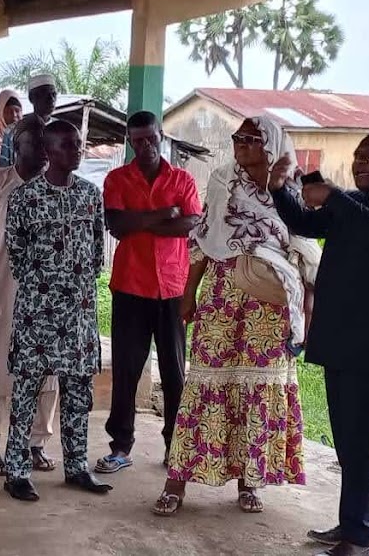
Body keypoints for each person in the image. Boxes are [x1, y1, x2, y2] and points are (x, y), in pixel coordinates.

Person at [269, 130, 369, 556]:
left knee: (361, 439)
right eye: (357, 156)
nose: (360, 162)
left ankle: (358, 539)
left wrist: (334, 196)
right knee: (347, 437)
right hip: (341, 337)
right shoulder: (351, 204)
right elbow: (305, 221)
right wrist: (281, 189)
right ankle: (358, 524)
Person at [151, 117, 316, 517]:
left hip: (271, 306)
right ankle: (177, 483)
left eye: (251, 138)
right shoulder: (222, 182)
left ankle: (249, 482)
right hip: (222, 297)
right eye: (237, 138)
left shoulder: (290, 191)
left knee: (257, 393)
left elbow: (307, 254)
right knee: (204, 386)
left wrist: (305, 318)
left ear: (271, 145)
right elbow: (205, 240)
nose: (241, 144)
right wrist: (188, 294)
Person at [3, 120, 111, 502]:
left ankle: (77, 466)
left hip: (79, 311)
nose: (76, 151)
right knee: (27, 390)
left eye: (78, 144)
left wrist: (76, 284)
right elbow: (15, 255)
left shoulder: (90, 195)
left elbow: (99, 249)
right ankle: (16, 470)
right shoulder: (25, 198)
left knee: (78, 392)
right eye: (67, 145)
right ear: (48, 152)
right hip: (37, 310)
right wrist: (47, 281)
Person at [96, 111, 201, 475]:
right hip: (131, 287)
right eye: (137, 140)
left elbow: (189, 224)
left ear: (161, 136)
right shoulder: (117, 179)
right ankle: (120, 446)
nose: (144, 146)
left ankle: (176, 446)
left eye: (150, 139)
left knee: (174, 372)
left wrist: (144, 220)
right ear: (130, 141)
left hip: (172, 288)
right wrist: (163, 214)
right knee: (126, 370)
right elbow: (117, 226)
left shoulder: (183, 179)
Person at [0, 116, 58, 476]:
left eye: (45, 144)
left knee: (44, 369)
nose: (42, 151)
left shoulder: (59, 187)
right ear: (16, 146)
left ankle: (36, 444)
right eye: (34, 143)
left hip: (44, 295)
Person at [0, 74, 57, 169]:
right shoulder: (12, 130)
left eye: (54, 94)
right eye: (45, 94)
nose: (51, 99)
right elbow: (4, 169)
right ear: (32, 98)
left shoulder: (61, 129)